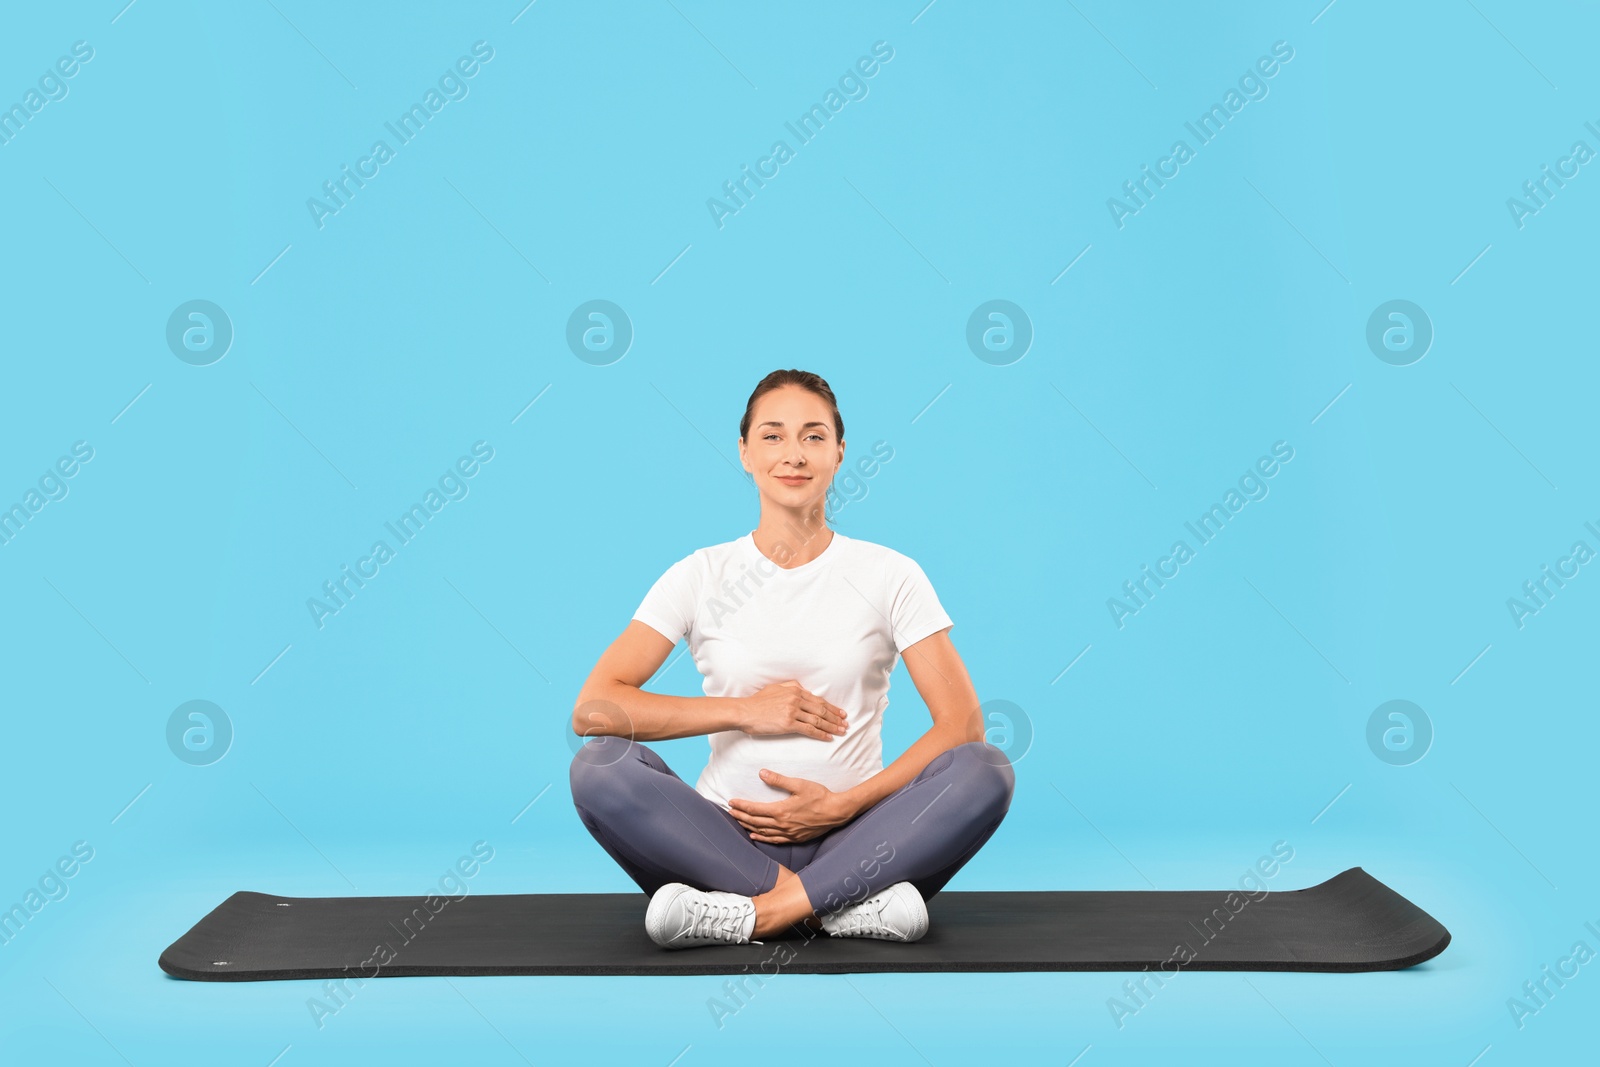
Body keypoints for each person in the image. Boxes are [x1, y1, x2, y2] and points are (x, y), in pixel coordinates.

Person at [568, 369, 1014, 949]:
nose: (794, 454)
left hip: (858, 838)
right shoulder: (700, 575)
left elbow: (961, 726)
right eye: (773, 436)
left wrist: (842, 806)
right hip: (721, 841)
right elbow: (595, 709)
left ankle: (758, 915)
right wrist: (746, 711)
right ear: (745, 452)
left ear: (838, 453)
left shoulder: (889, 574)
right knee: (598, 767)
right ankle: (836, 907)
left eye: (813, 436)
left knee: (986, 768)